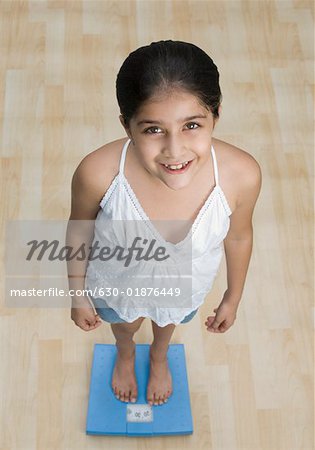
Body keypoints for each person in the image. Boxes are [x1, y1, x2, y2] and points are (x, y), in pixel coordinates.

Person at [67, 40, 261, 407]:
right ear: (127, 126)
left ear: (215, 114)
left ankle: (158, 355)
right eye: (153, 130)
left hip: (183, 284)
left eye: (191, 125)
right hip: (117, 282)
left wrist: (232, 298)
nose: (175, 151)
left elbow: (239, 236)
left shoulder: (241, 175)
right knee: (123, 325)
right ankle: (125, 353)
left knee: (166, 321)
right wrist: (77, 294)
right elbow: (79, 231)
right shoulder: (97, 172)